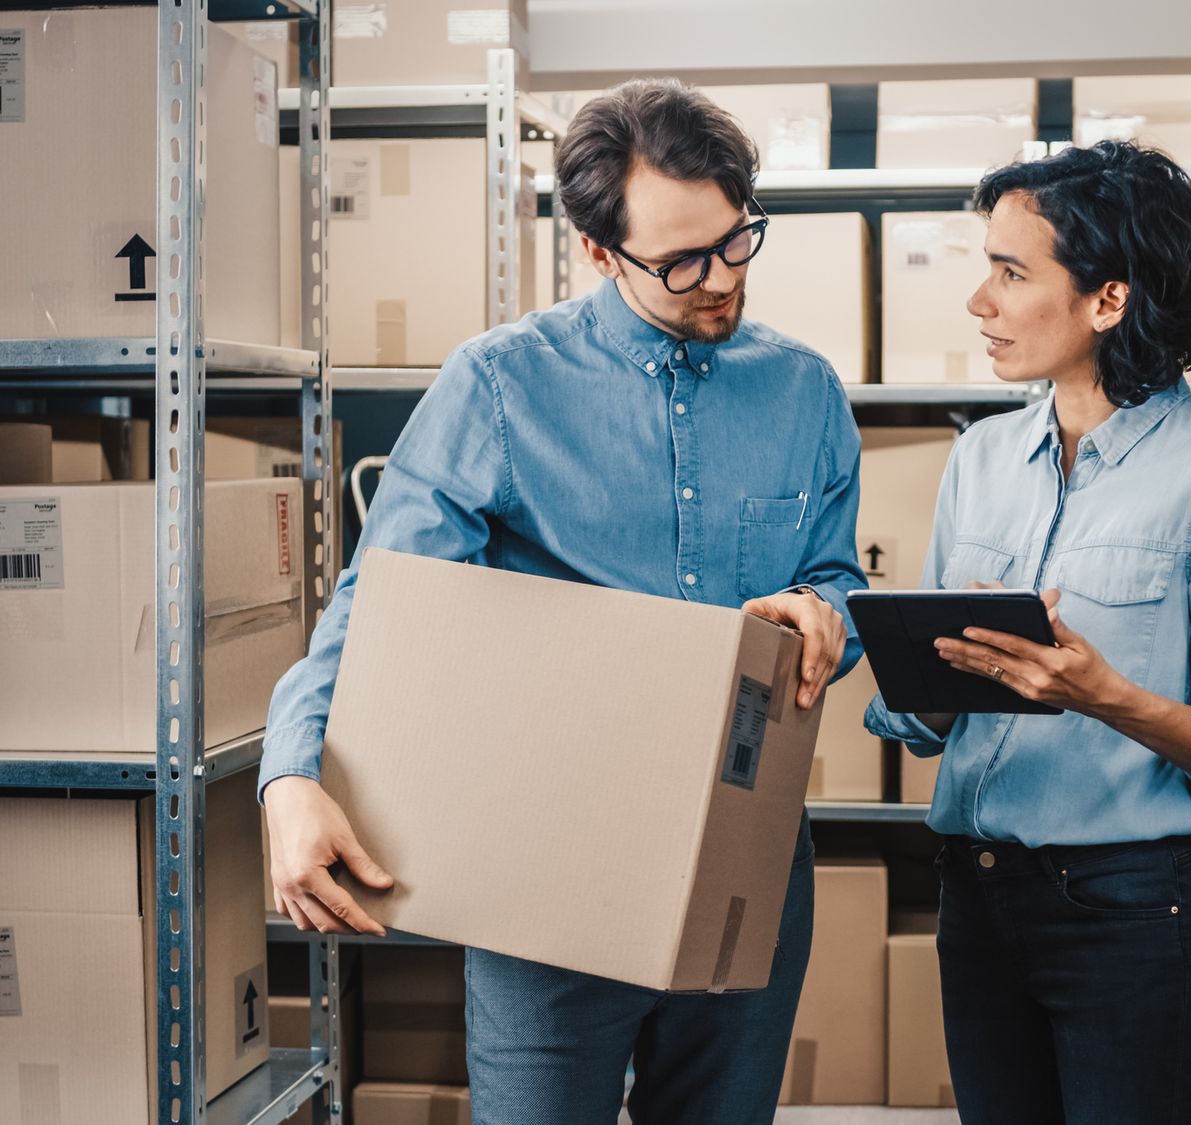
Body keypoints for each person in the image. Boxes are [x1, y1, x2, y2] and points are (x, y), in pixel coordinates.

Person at [258, 79, 868, 1124]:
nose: (719, 280)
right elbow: (381, 606)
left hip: (746, 849)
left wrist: (829, 616)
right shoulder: (498, 387)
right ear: (595, 251)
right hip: (550, 865)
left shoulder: (804, 390)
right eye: (679, 262)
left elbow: (833, 574)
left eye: (735, 242)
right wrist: (289, 775)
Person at [865, 141, 1191, 1124]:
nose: (980, 302)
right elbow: (926, 724)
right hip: (975, 899)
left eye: (1011, 274)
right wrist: (930, 675)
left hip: (1130, 911)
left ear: (1108, 299)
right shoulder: (977, 458)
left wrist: (1102, 696)